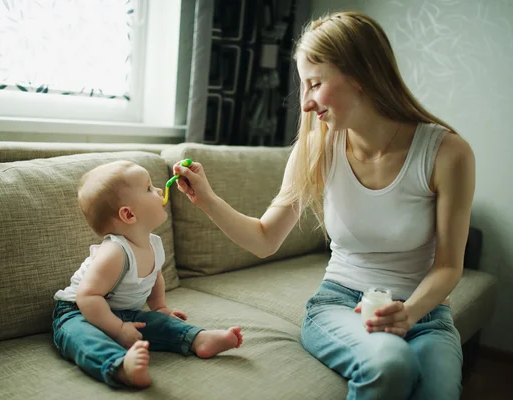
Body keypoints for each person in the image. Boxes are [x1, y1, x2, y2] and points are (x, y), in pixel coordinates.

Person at [173, 10, 474, 400]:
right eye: (303, 86)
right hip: (338, 303)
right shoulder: (316, 151)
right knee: (390, 364)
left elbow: (449, 266)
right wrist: (207, 200)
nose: (306, 103)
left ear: (363, 73)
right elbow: (265, 239)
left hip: (426, 314)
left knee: (438, 390)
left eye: (314, 83)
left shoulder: (446, 153)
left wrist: (410, 313)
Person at [52, 160, 243, 389]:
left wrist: (160, 308)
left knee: (160, 323)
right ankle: (121, 366)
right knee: (82, 337)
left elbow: (155, 278)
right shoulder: (114, 252)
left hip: (123, 313)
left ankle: (198, 339)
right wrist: (118, 329)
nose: (160, 191)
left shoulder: (154, 243)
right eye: (149, 188)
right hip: (77, 312)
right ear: (128, 215)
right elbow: (87, 297)